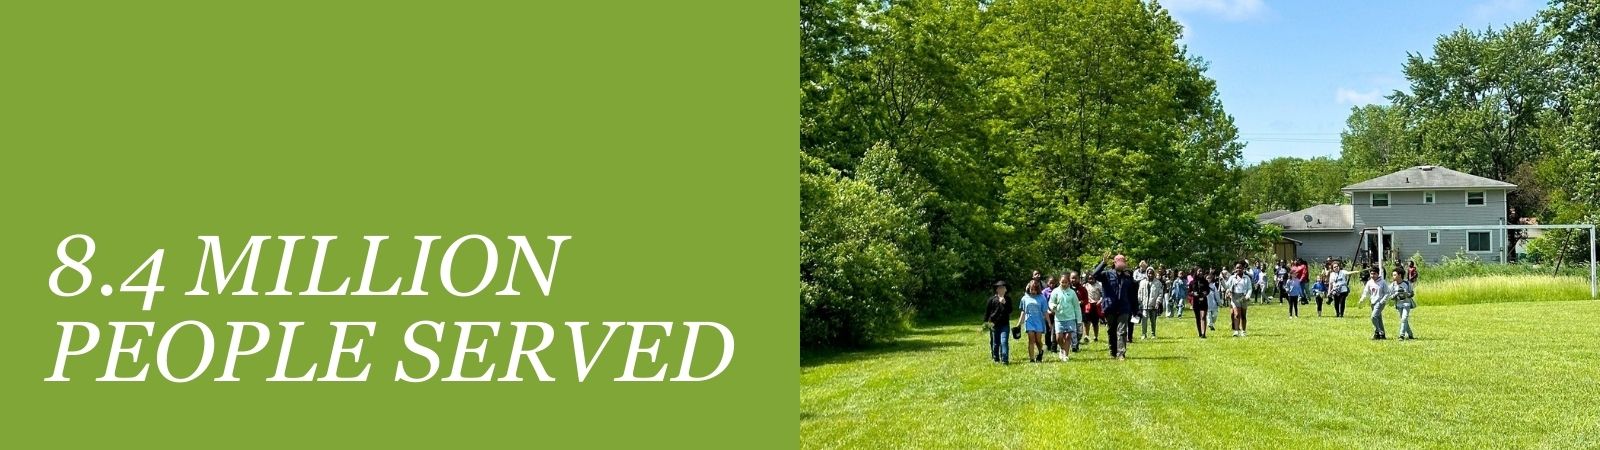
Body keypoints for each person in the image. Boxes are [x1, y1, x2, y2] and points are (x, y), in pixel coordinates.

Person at [1090, 252, 1138, 360]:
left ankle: (1121, 354)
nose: (1121, 264)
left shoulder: (1128, 278)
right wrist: (1103, 263)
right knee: (1111, 331)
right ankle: (1113, 352)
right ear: (1114, 263)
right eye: (1119, 262)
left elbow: (1132, 295)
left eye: (1123, 262)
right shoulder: (1107, 275)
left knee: (1122, 331)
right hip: (1110, 307)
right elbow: (1094, 275)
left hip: (1124, 308)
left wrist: (1135, 310)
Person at [1049, 273, 1082, 359]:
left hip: (1070, 318)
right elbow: (1051, 302)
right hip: (1059, 318)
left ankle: (1065, 355)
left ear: (1069, 283)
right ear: (1059, 282)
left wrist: (1079, 320)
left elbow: (1076, 307)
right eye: (1062, 282)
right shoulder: (1055, 291)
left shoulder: (1072, 293)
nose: (1064, 284)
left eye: (1066, 282)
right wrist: (1052, 306)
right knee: (1058, 338)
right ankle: (1062, 349)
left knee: (1068, 336)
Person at [1017, 280, 1049, 362]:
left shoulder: (1042, 298)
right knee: (1031, 340)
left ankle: (1041, 351)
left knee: (1038, 340)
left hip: (1039, 322)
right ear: (1029, 289)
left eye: (1035, 290)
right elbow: (1023, 312)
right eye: (1031, 289)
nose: (1033, 292)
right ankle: (1031, 358)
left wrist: (1049, 322)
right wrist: (1019, 324)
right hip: (1029, 322)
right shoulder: (1025, 298)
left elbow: (1045, 311)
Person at [983, 281, 1013, 364]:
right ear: (996, 289)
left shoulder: (1008, 299)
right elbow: (987, 312)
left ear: (1006, 290)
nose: (1001, 289)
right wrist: (985, 323)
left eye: (1003, 288)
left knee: (1004, 341)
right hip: (994, 324)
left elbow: (1010, 311)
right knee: (995, 343)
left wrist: (1004, 303)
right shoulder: (992, 300)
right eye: (999, 288)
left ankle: (1005, 359)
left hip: (1005, 324)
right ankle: (996, 358)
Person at [1361, 268, 1389, 339]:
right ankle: (1381, 335)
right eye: (1371, 274)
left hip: (1380, 302)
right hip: (1373, 302)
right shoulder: (1369, 282)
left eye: (1374, 274)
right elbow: (1366, 291)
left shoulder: (1382, 282)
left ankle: (1378, 331)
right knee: (1378, 318)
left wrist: (1382, 301)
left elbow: (1387, 293)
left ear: (1377, 274)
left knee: (1373, 317)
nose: (1372, 275)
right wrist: (1362, 298)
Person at [1139, 268, 1165, 339]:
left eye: (1151, 273)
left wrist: (1158, 302)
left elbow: (1160, 294)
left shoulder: (1158, 283)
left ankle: (1153, 334)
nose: (1150, 275)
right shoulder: (1142, 282)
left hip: (1153, 305)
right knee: (1144, 320)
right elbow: (1140, 293)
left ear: (1154, 274)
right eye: (1149, 273)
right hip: (1144, 305)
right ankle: (1144, 334)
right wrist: (1140, 302)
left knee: (1153, 320)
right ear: (1146, 273)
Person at [1226, 267, 1252, 337]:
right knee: (1236, 314)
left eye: (1240, 268)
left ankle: (1243, 331)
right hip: (1235, 296)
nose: (1239, 269)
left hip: (1243, 297)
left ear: (1243, 269)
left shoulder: (1247, 278)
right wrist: (1222, 280)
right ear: (1235, 269)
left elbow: (1249, 288)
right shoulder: (1232, 277)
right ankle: (1236, 331)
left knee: (1243, 315)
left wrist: (1248, 295)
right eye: (1237, 268)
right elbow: (1226, 285)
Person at [1393, 271, 1417, 340]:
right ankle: (1410, 334)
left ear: (1399, 275)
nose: (1393, 276)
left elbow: (1412, 293)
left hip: (1407, 304)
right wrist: (1396, 294)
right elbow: (1391, 297)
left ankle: (1401, 335)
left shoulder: (1407, 283)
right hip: (1399, 305)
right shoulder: (1393, 285)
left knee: (1404, 318)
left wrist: (1407, 294)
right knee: (1404, 320)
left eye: (1395, 275)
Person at [1189, 269, 1211, 338]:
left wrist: (1206, 293)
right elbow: (1189, 292)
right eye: (1199, 271)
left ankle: (1204, 333)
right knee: (1198, 317)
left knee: (1203, 316)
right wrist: (1193, 293)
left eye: (1201, 271)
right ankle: (1200, 333)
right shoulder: (1192, 282)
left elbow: (1208, 290)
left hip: (1203, 300)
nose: (1200, 272)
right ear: (1196, 272)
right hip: (1196, 301)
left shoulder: (1205, 282)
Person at [1081, 274, 1102, 344]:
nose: (1091, 280)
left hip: (1096, 305)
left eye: (1092, 278)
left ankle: (1096, 336)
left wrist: (1100, 301)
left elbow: (1103, 294)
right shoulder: (1085, 286)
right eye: (1089, 279)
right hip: (1088, 305)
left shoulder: (1099, 285)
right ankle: (1086, 335)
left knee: (1095, 322)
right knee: (1086, 322)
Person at [1042, 275, 1060, 354]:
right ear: (1047, 283)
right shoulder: (1044, 292)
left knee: (1055, 330)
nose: (1052, 284)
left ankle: (1054, 347)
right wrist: (1048, 311)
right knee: (1048, 330)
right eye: (1050, 283)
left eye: (1053, 283)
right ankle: (1048, 345)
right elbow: (1043, 303)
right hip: (1048, 314)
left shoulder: (1058, 290)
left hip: (1056, 313)